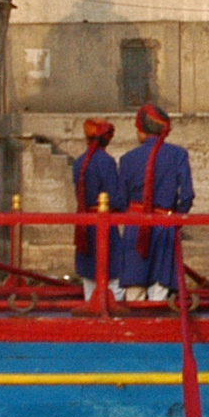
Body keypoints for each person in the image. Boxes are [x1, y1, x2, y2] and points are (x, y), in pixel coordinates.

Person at [116, 103, 192, 302]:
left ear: (142, 130)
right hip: (164, 225)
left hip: (134, 225)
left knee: (134, 286)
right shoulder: (178, 155)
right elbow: (187, 195)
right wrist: (176, 217)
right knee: (161, 285)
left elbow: (120, 198)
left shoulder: (127, 159)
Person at [69, 117, 126, 290]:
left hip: (84, 224)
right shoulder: (106, 162)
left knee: (89, 279)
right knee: (113, 277)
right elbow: (116, 198)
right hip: (104, 226)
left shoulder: (79, 163)